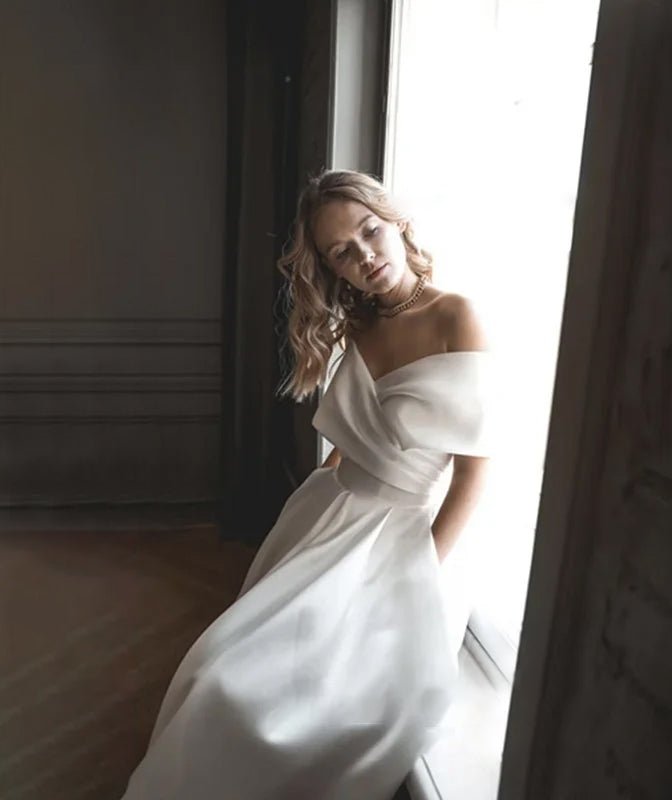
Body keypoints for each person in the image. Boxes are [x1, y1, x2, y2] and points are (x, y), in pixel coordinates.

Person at [121, 169, 494, 800]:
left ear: (395, 220)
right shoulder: (363, 325)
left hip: (401, 540)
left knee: (298, 703)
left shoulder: (456, 315)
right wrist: (307, 514)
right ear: (331, 269)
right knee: (219, 670)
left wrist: (424, 568)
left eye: (370, 232)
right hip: (329, 514)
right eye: (341, 252)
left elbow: (474, 469)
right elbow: (354, 441)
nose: (365, 256)